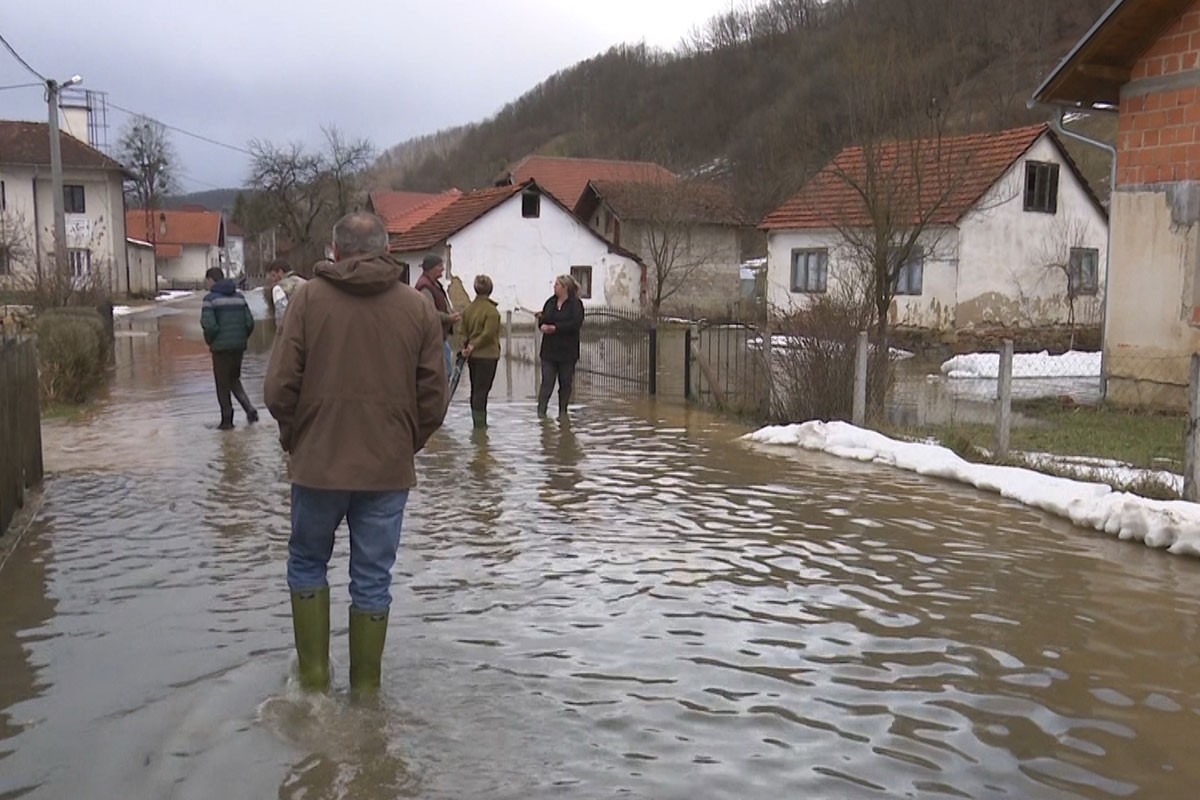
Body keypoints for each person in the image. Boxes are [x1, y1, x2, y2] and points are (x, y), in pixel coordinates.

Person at [263, 211, 447, 694]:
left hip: (317, 465)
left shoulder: (307, 300)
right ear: (387, 250)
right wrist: (404, 446)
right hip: (387, 471)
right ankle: (366, 699)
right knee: (372, 580)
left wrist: (296, 440)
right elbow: (434, 400)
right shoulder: (418, 308)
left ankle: (314, 687)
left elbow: (279, 388)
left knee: (307, 564)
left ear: (335, 250)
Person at [201, 266, 258, 430]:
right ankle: (249, 409)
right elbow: (249, 322)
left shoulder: (210, 299)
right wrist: (240, 339)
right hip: (238, 347)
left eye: (207, 281)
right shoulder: (239, 297)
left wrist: (212, 341)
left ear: (211, 280)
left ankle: (227, 421)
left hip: (221, 349)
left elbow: (209, 326)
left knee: (222, 384)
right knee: (234, 379)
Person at [535, 274, 585, 418]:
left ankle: (563, 412)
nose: (554, 286)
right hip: (549, 352)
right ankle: (541, 413)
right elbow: (544, 318)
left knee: (565, 384)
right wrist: (542, 324)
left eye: (557, 284)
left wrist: (556, 328)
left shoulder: (575, 304)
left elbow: (575, 324)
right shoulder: (550, 302)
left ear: (565, 287)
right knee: (547, 383)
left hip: (567, 353)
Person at [459, 274, 502, 428]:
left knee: (475, 388)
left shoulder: (468, 309)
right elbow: (488, 334)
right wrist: (474, 345)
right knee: (482, 391)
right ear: (490, 290)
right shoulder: (492, 312)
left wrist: (466, 346)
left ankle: (476, 423)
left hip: (472, 357)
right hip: (488, 356)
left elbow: (462, 331)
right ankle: (480, 425)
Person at [414, 253, 461, 378]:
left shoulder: (433, 283)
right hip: (434, 337)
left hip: (440, 335)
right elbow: (429, 312)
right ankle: (441, 397)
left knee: (446, 371)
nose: (443, 268)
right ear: (431, 268)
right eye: (440, 266)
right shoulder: (425, 286)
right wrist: (449, 318)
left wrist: (450, 313)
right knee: (444, 373)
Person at [266, 259, 307, 327]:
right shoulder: (305, 283)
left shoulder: (279, 288)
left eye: (273, 275)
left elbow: (281, 316)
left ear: (280, 272)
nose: (272, 280)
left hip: (294, 329)